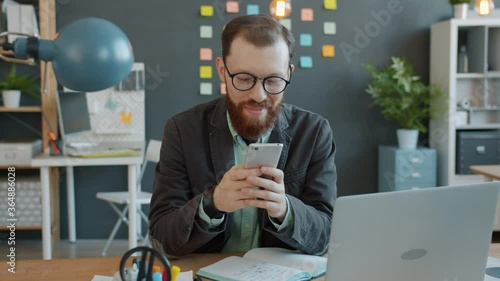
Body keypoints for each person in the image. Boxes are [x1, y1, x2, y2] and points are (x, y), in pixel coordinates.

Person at [149, 14, 337, 257]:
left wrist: (285, 210)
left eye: (273, 80)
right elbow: (161, 238)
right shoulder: (182, 131)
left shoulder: (314, 132)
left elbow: (327, 236)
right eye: (244, 79)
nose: (258, 95)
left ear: (289, 73)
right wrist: (212, 204)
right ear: (222, 70)